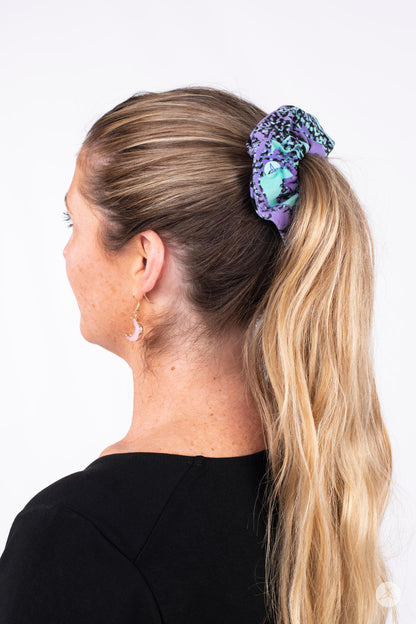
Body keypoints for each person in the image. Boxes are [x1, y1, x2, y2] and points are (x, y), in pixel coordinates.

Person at [0, 86, 398, 624]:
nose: (67, 252)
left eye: (75, 223)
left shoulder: (77, 539)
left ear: (144, 262)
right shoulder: (321, 501)